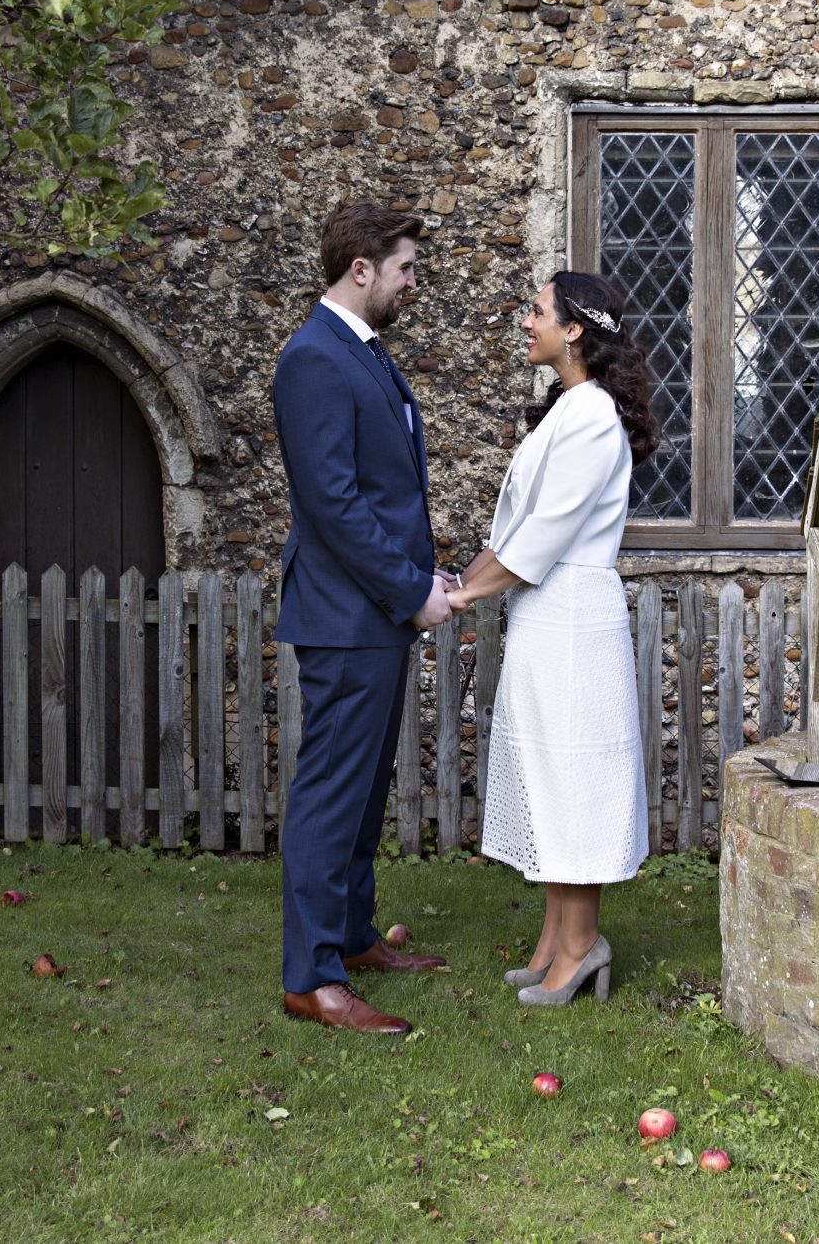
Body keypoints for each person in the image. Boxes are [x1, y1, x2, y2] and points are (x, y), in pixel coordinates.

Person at [443, 271, 656, 1007]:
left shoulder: (592, 416)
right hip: (546, 614)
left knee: (574, 781)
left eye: (536, 310)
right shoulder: (570, 408)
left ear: (574, 330)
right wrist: (458, 581)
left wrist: (467, 592)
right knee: (547, 776)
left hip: (573, 622)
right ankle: (554, 938)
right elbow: (513, 532)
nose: (525, 320)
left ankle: (580, 946)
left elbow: (544, 533)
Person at [268, 201, 453, 1034]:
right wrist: (411, 591)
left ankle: (348, 937)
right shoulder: (313, 358)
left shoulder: (364, 355)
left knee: (366, 788)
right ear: (362, 269)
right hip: (346, 618)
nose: (414, 282)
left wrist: (420, 575)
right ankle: (311, 976)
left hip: (377, 613)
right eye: (406, 268)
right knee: (329, 795)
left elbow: (384, 493)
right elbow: (334, 505)